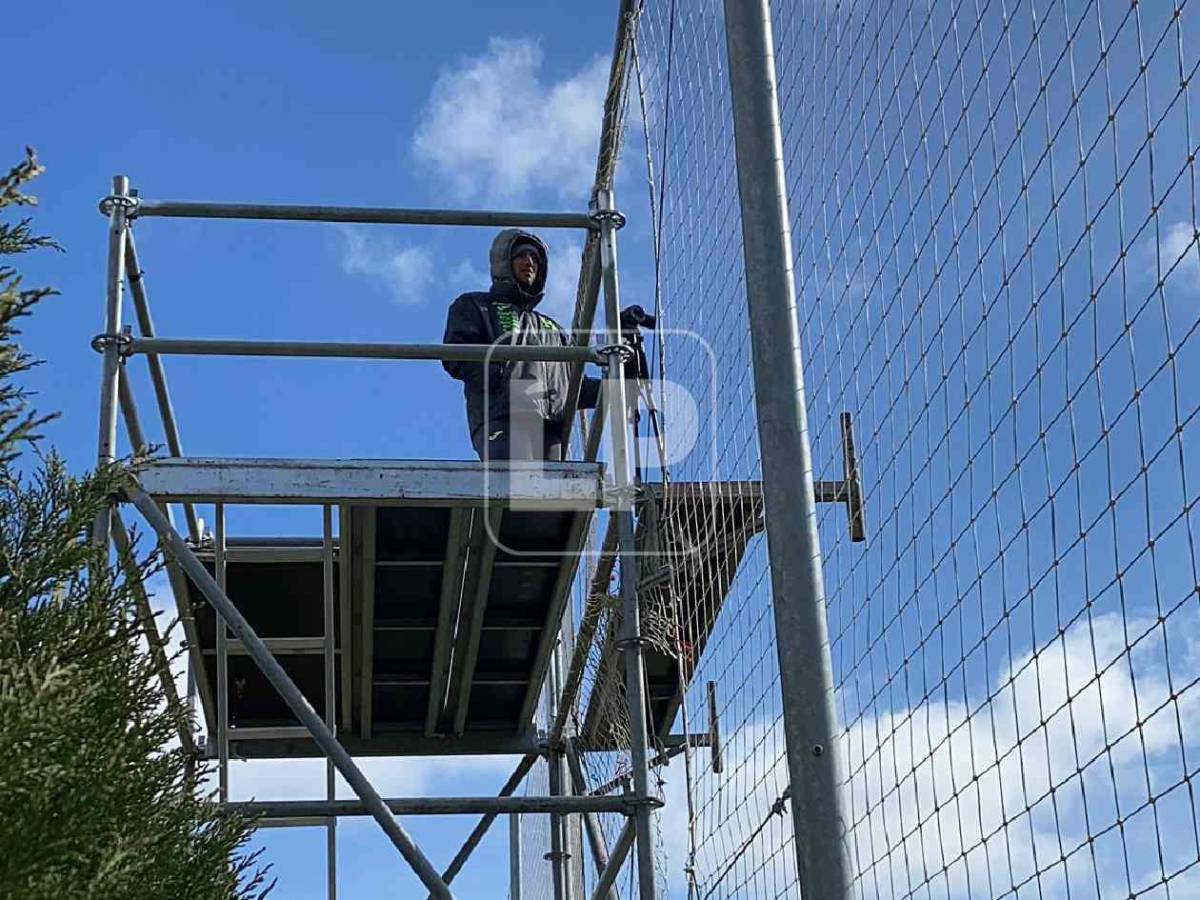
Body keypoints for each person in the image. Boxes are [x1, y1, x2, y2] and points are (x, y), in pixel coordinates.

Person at [443, 229, 599, 461]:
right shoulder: (476, 305)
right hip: (502, 416)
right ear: (503, 262)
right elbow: (457, 354)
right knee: (512, 481)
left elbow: (574, 384)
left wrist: (615, 383)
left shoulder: (553, 328)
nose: (530, 262)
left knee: (551, 485)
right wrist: (498, 380)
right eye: (521, 255)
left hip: (550, 428)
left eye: (535, 258)